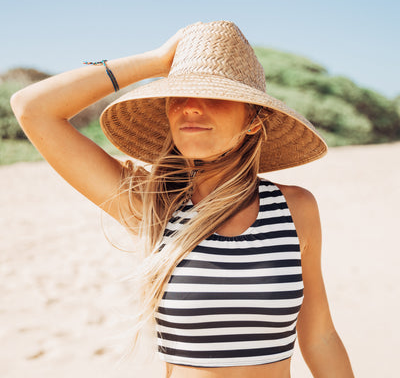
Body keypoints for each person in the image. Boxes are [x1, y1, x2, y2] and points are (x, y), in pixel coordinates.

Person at [11, 21, 354, 378]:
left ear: (254, 119)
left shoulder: (295, 208)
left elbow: (321, 337)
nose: (190, 107)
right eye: (178, 95)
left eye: (214, 95)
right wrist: (156, 61)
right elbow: (32, 108)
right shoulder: (153, 206)